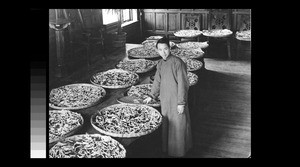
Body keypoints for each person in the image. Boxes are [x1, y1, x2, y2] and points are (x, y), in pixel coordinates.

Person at [144, 36, 192, 158]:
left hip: (176, 99)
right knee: (168, 124)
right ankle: (168, 150)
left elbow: (183, 84)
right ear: (157, 50)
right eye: (160, 50)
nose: (163, 52)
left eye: (165, 49)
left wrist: (181, 103)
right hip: (165, 99)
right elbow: (157, 82)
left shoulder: (178, 63)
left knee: (178, 125)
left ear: (170, 48)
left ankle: (180, 151)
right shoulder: (160, 64)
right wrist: (151, 95)